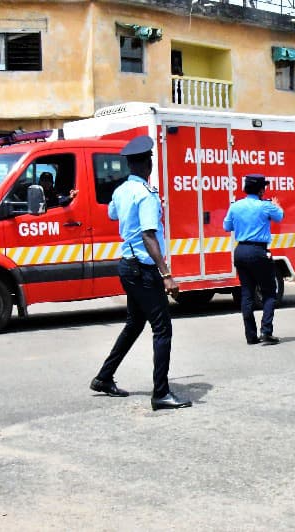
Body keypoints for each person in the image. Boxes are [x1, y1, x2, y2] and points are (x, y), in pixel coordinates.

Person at [90, 135, 192, 411]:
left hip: (127, 265)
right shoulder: (146, 195)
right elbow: (149, 235)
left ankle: (103, 377)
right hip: (142, 269)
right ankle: (161, 393)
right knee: (162, 328)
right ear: (149, 164)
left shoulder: (121, 190)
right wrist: (166, 274)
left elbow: (112, 215)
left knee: (134, 324)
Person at [223, 174, 285, 345]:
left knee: (247, 294)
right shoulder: (265, 206)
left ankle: (251, 336)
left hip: (240, 251)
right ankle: (266, 331)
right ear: (261, 190)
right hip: (258, 251)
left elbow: (227, 226)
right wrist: (276, 205)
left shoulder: (235, 206)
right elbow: (280, 216)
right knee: (269, 292)